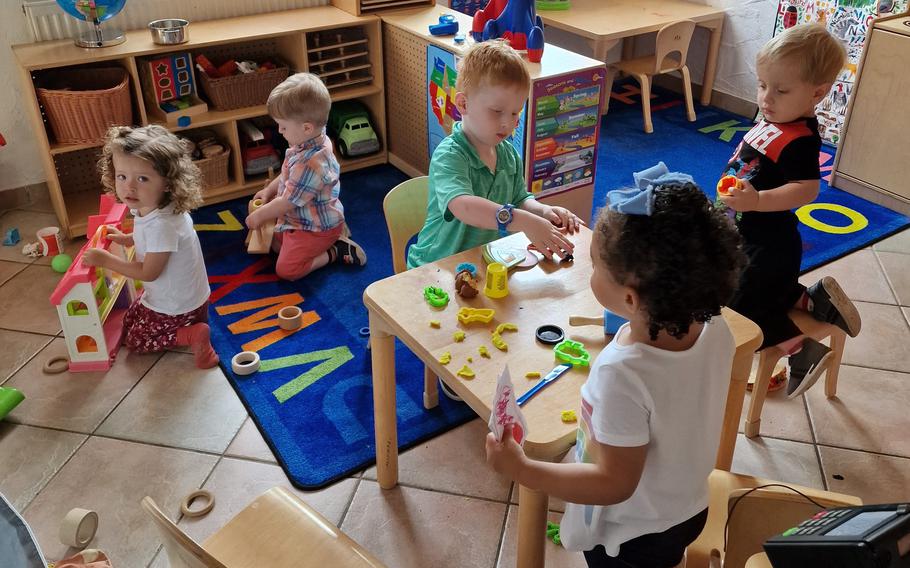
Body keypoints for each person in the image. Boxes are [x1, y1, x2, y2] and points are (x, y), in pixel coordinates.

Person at [486, 168, 746, 568]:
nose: (590, 273)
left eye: (594, 267)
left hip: (633, 535)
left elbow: (613, 483)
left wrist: (524, 469)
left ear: (629, 298)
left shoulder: (623, 373)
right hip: (689, 505)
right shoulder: (716, 328)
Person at [719, 24, 861, 398]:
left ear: (817, 93)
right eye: (762, 84)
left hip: (769, 243)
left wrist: (757, 202)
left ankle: (802, 352)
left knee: (738, 306)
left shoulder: (800, 138)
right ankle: (813, 300)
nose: (766, 97)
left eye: (780, 90)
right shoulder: (776, 117)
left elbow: (807, 189)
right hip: (747, 236)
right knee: (752, 287)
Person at [406, 40, 582, 269]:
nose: (507, 123)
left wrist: (544, 212)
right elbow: (464, 206)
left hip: (482, 261)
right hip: (436, 266)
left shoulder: (508, 154)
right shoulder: (450, 155)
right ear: (463, 104)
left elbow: (519, 199)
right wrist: (524, 221)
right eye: (497, 111)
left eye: (515, 112)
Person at [83, 125, 217, 369]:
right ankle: (191, 324)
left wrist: (105, 260)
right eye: (122, 176)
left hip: (178, 305)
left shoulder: (162, 225)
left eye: (142, 178)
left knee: (136, 340)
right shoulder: (154, 205)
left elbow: (148, 272)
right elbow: (152, 238)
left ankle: (192, 334)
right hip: (194, 298)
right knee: (130, 317)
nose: (129, 187)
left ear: (168, 182)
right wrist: (127, 239)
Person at [246, 72, 366, 280]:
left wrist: (261, 214)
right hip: (301, 217)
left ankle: (335, 251)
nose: (279, 130)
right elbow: (287, 175)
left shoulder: (310, 163)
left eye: (283, 126)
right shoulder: (307, 141)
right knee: (273, 243)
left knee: (286, 270)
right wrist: (269, 190)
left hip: (315, 228)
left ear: (306, 127)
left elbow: (288, 202)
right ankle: (330, 239)